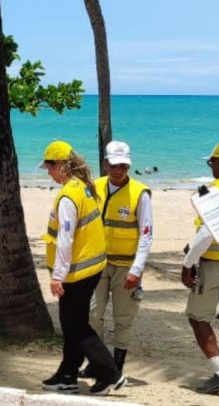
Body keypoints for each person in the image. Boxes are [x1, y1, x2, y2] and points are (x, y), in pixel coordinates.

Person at [40, 140, 127, 396]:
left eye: (49, 168)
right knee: (72, 324)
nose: (48, 173)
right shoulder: (84, 187)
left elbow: (66, 238)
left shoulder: (69, 195)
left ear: (60, 166)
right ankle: (67, 374)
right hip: (91, 267)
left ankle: (110, 373)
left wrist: (58, 275)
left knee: (75, 326)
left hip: (76, 272)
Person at [81, 140, 152, 378]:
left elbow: (146, 234)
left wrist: (136, 269)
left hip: (126, 267)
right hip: (98, 265)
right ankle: (97, 361)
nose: (119, 170)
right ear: (105, 164)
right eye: (114, 165)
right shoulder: (95, 187)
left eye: (123, 165)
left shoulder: (140, 193)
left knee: (123, 318)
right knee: (92, 314)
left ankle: (117, 365)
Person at [181, 140, 219, 394]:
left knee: (198, 317)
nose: (211, 167)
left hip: (215, 263)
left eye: (212, 162)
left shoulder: (212, 190)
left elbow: (206, 234)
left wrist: (188, 263)